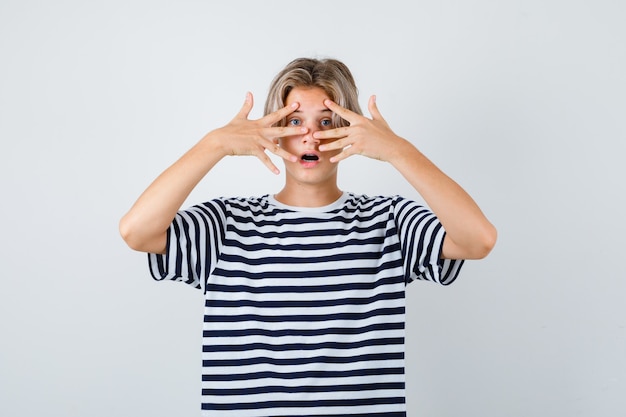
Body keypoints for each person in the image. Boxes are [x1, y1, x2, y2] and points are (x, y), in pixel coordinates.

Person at [119, 57, 497, 417]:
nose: (310, 136)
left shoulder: (388, 221)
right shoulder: (227, 224)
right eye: (295, 120)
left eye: (328, 121)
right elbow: (137, 231)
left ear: (352, 132)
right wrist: (214, 144)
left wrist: (399, 151)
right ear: (271, 132)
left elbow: (477, 239)